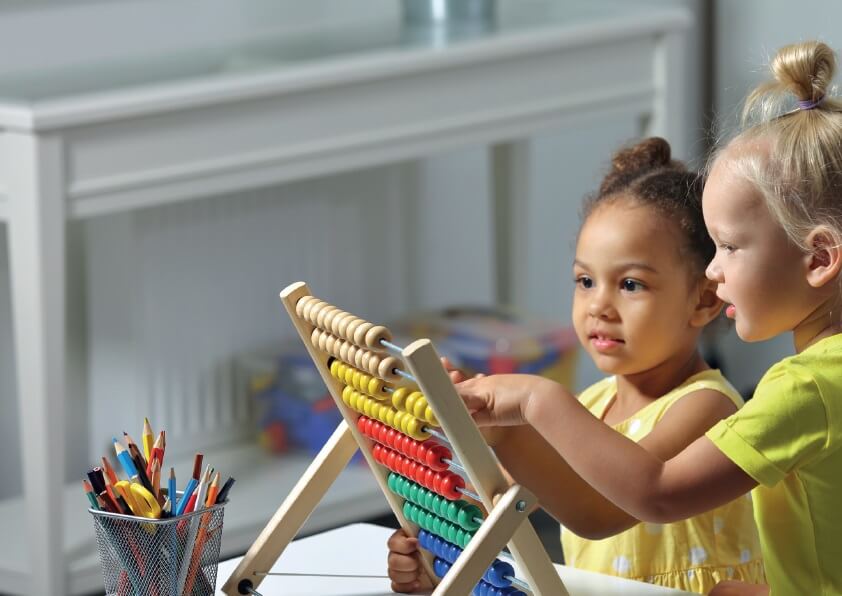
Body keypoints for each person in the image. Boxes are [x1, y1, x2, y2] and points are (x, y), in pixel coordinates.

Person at [451, 40, 842, 595]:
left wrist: (536, 400)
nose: (714, 271)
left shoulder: (803, 387)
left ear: (818, 258)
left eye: (729, 247)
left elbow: (654, 492)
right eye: (583, 279)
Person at [387, 136, 763, 594]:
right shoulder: (591, 405)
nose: (598, 306)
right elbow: (494, 512)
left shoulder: (707, 409)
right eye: (585, 280)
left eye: (629, 284)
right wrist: (438, 557)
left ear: (703, 300)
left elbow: (596, 510)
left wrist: (524, 412)